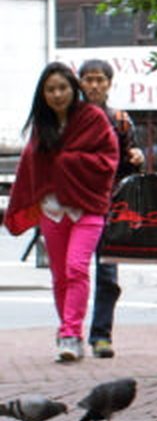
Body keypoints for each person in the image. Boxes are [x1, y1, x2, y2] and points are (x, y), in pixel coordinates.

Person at [4, 63, 120, 363]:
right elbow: (31, 165)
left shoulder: (93, 118)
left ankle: (70, 334)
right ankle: (68, 330)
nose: (57, 94)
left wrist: (66, 162)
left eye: (62, 88)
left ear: (73, 88)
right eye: (50, 89)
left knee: (76, 268)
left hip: (87, 207)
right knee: (59, 276)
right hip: (52, 210)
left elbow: (109, 158)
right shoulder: (40, 126)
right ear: (42, 94)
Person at [77, 59, 145, 358]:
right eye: (89, 79)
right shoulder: (69, 118)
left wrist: (138, 157)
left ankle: (101, 336)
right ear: (80, 82)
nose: (94, 85)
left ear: (109, 83)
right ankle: (70, 333)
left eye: (100, 80)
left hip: (108, 205)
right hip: (74, 205)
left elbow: (131, 164)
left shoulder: (120, 120)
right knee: (72, 274)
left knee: (107, 275)